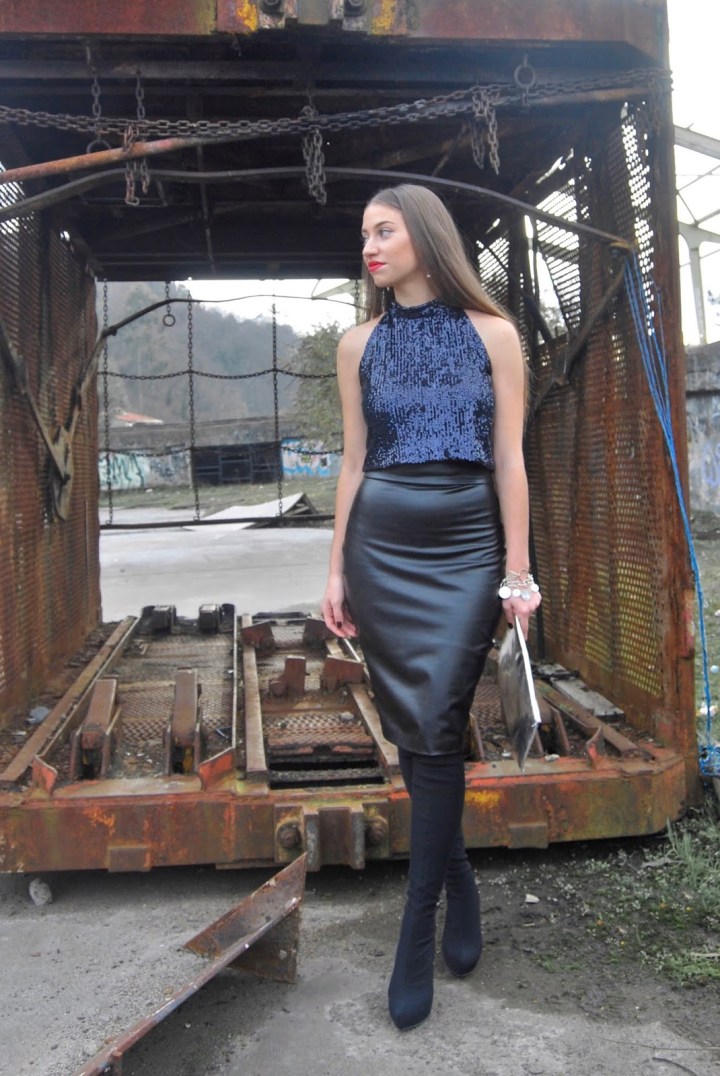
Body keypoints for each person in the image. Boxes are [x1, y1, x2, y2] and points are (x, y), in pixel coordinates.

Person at [320, 183, 541, 1031]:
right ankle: (455, 880)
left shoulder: (494, 334)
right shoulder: (357, 344)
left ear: (426, 235)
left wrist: (517, 573)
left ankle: (416, 927)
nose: (370, 246)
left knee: (440, 718)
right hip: (381, 545)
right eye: (363, 234)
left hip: (467, 545)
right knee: (416, 729)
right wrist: (336, 570)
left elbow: (509, 460)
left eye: (384, 230)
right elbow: (352, 461)